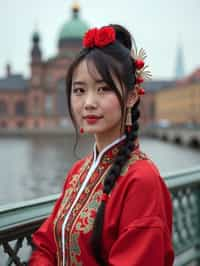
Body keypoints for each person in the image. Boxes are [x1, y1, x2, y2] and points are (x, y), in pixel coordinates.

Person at [29, 24, 174, 266]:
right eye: (79, 90)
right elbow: (46, 245)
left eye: (103, 89)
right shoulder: (79, 171)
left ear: (131, 96)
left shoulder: (142, 180)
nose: (88, 103)